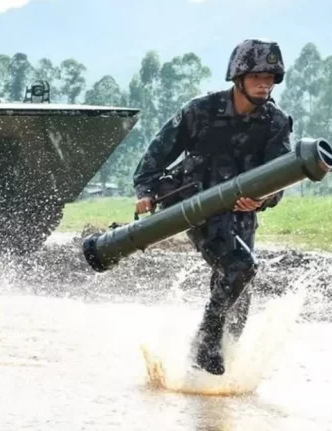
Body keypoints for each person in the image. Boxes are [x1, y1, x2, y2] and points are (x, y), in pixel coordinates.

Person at [132, 39, 293, 375]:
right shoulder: (200, 111)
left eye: (269, 78)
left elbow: (280, 175)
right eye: (257, 77)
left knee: (239, 293)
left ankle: (211, 379)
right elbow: (157, 154)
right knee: (239, 266)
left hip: (242, 210)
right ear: (238, 78)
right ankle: (204, 345)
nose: (264, 84)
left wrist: (263, 199)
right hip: (197, 203)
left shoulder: (275, 122)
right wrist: (146, 191)